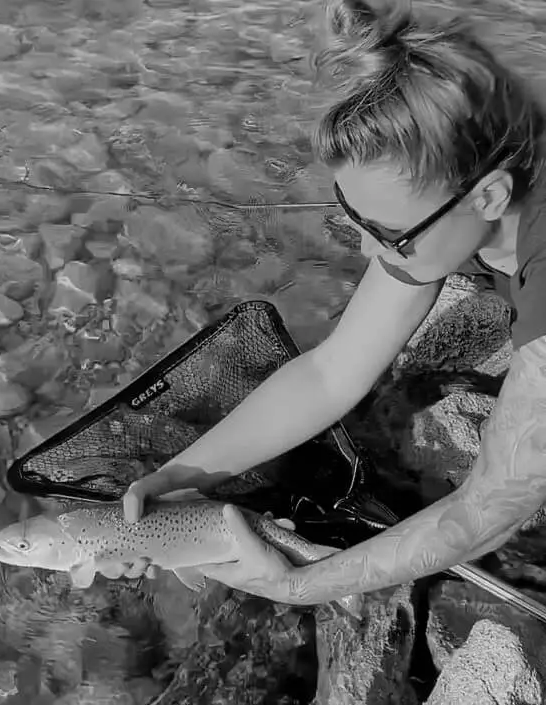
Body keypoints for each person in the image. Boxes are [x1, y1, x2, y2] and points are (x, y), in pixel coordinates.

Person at [96, 0, 546, 606]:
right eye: (350, 215)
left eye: (387, 232)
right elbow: (331, 372)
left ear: (490, 194)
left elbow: (495, 506)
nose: (365, 247)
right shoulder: (465, 195)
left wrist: (303, 584)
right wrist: (178, 476)